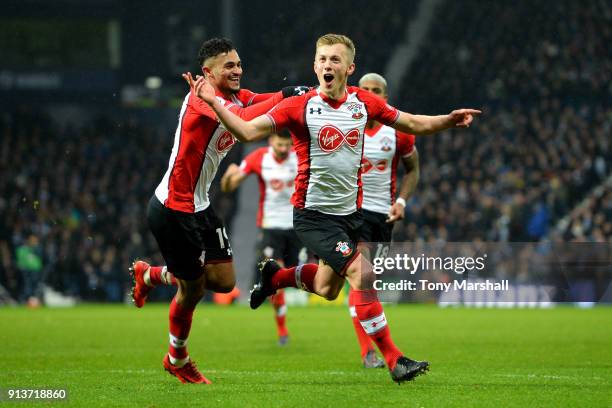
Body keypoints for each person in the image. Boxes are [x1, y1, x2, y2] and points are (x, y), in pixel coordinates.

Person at [186, 33, 480, 383]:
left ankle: (275, 277)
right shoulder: (299, 107)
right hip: (313, 216)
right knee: (363, 275)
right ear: (314, 65)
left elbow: (413, 123)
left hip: (350, 216)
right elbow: (248, 132)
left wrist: (449, 119)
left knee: (328, 288)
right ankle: (394, 360)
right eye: (322, 59)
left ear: (349, 68)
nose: (327, 65)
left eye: (335, 60)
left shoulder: (364, 103)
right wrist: (215, 103)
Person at [129, 37, 308, 384]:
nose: (238, 70)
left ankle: (151, 275)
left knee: (225, 283)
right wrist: (287, 99)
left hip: (201, 205)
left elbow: (261, 101)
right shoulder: (202, 99)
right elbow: (242, 121)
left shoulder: (235, 95)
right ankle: (177, 358)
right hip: (173, 208)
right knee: (193, 289)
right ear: (207, 73)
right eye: (230, 66)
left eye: (239, 64)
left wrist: (290, 93)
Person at [347, 72, 420, 368]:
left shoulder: (398, 131)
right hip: (351, 212)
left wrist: (401, 202)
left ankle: (283, 276)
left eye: (375, 90)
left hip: (383, 216)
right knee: (361, 279)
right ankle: (370, 353)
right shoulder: (343, 124)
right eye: (364, 89)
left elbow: (413, 170)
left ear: (385, 97)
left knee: (367, 283)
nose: (369, 94)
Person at [220, 130, 299, 346]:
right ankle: (282, 331)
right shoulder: (258, 157)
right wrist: (228, 175)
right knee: (278, 274)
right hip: (270, 227)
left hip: (297, 227)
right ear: (271, 141)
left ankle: (267, 288)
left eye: (287, 145)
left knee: (297, 278)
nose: (283, 150)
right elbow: (228, 186)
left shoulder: (300, 156)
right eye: (279, 145)